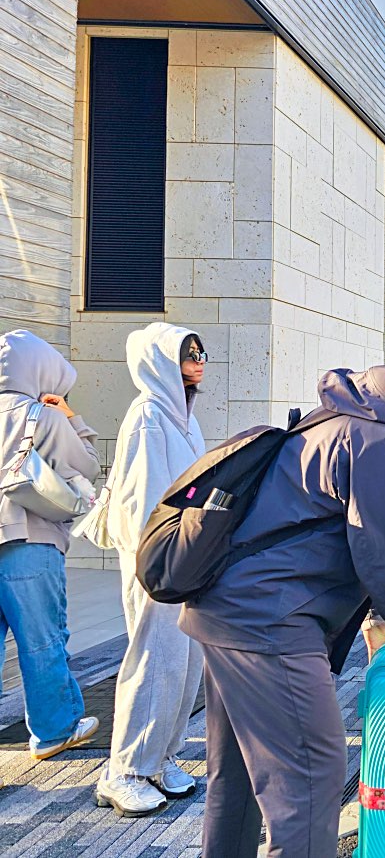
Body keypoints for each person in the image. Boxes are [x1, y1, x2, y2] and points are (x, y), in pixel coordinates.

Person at [180, 302, 385, 858]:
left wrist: (381, 621)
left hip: (229, 609)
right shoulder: (378, 437)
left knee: (239, 779)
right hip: (269, 622)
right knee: (311, 777)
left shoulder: (350, 415)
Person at [96, 323, 208, 816]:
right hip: (157, 560)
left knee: (184, 662)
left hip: (183, 557)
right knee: (154, 659)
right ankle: (123, 771)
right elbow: (143, 501)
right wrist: (162, 560)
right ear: (161, 361)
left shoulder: (183, 417)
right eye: (189, 353)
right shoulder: (148, 415)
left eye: (200, 352)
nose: (199, 361)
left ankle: (160, 758)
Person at [0, 329, 101, 760]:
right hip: (29, 539)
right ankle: (54, 730)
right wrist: (71, 417)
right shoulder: (42, 415)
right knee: (42, 639)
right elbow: (88, 466)